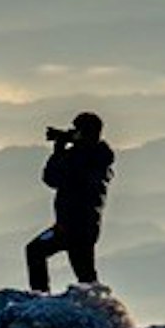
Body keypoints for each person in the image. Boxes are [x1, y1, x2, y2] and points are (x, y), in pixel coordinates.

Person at [23, 112, 115, 293]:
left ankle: (41, 296)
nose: (73, 133)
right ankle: (98, 306)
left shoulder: (91, 157)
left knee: (37, 251)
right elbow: (51, 178)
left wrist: (59, 151)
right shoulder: (96, 154)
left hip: (75, 226)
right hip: (76, 225)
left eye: (77, 130)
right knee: (85, 274)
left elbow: (53, 178)